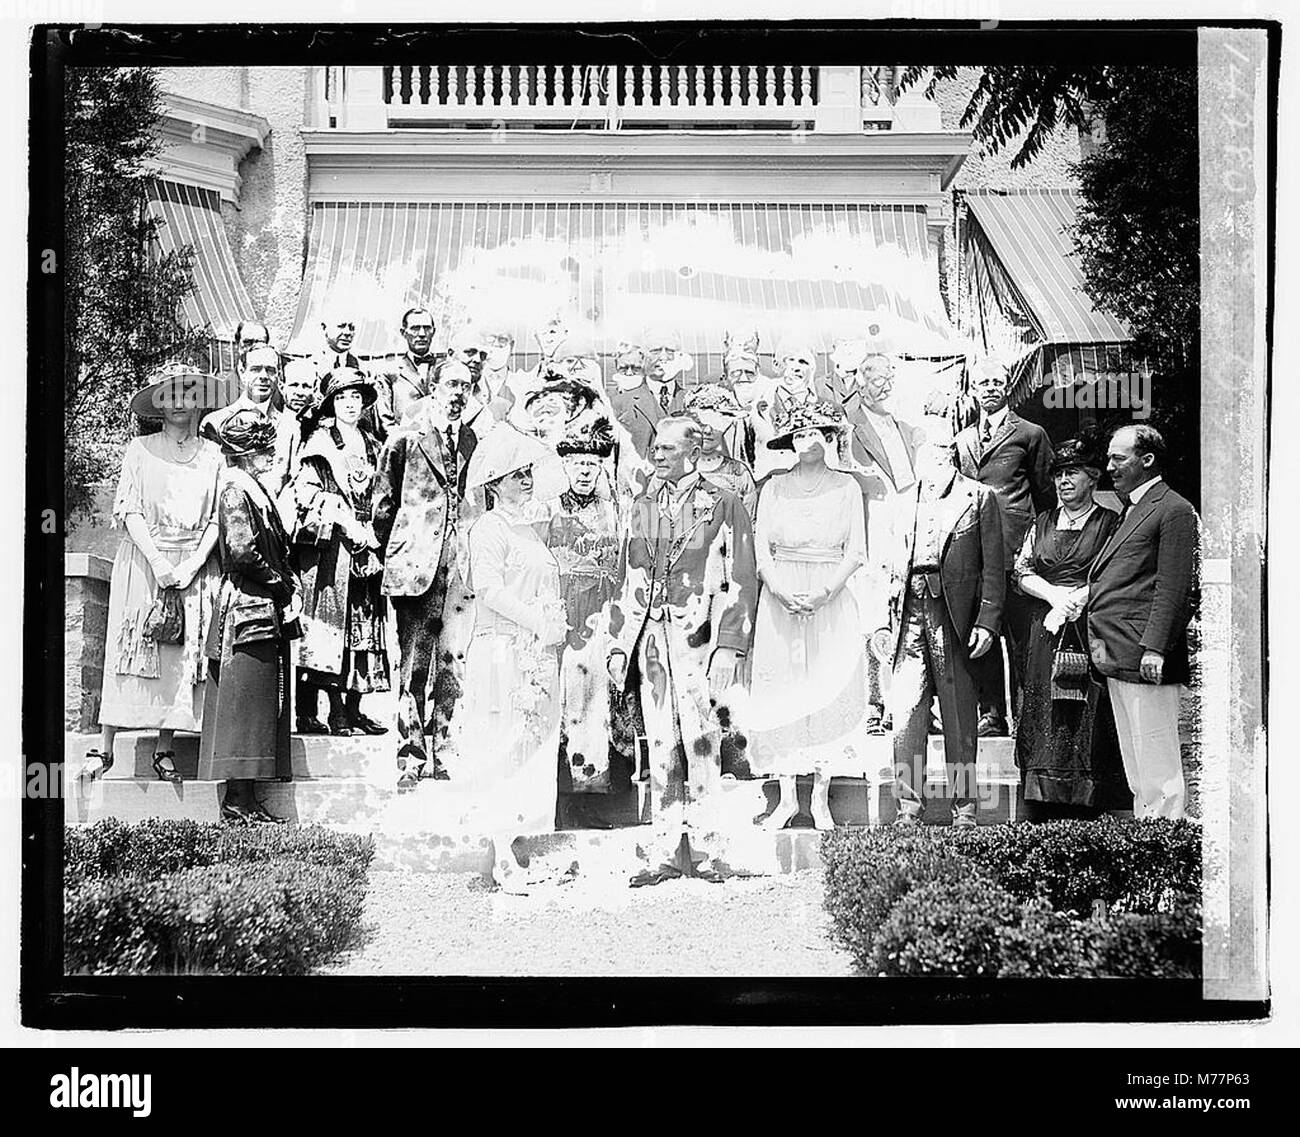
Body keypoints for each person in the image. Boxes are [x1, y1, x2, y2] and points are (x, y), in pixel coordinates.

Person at [606, 416, 759, 885]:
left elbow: (742, 577)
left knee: (703, 743)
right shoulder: (645, 502)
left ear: (693, 451)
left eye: (668, 449)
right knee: (660, 746)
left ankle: (710, 851)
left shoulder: (724, 503)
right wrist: (619, 645)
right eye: (655, 448)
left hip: (702, 641)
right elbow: (631, 576)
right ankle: (667, 852)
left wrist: (730, 647)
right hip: (653, 642)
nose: (657, 455)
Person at [81, 363, 226, 785]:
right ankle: (104, 748)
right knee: (133, 650)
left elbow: (217, 519)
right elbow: (128, 511)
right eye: (171, 394)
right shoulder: (140, 450)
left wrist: (192, 564)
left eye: (189, 393)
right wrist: (160, 564)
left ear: (199, 401)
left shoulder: (214, 456)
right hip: (145, 563)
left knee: (178, 656)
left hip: (192, 566)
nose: (181, 402)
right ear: (160, 404)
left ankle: (164, 750)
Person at [870, 397, 1005, 827]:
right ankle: (908, 808)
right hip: (909, 609)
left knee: (960, 715)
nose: (935, 455)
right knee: (906, 714)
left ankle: (965, 808)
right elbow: (884, 566)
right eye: (926, 448)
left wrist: (987, 620)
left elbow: (992, 567)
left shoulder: (979, 497)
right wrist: (879, 621)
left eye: (943, 448)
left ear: (954, 452)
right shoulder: (901, 499)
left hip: (955, 615)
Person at [747, 401, 869, 830]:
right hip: (780, 597)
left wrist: (822, 593)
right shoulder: (773, 488)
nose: (806, 442)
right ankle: (785, 799)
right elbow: (762, 553)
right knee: (783, 690)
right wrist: (780, 591)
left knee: (824, 688)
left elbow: (855, 551)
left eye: (814, 433)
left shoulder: (847, 488)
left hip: (830, 597)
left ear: (829, 438)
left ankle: (819, 798)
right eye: (798, 435)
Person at [457, 426, 568, 893]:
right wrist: (535, 621)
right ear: (493, 484)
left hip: (533, 650)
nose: (525, 480)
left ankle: (519, 843)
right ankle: (500, 854)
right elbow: (488, 589)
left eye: (527, 473)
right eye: (515, 475)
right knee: (502, 742)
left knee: (529, 744)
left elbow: (545, 583)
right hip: (501, 649)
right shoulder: (488, 528)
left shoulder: (528, 529)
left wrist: (554, 620)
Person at [372, 358, 480, 789]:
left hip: (460, 570)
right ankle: (411, 755)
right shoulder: (404, 437)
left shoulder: (473, 439)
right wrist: (394, 554)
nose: (458, 393)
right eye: (451, 384)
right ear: (433, 387)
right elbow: (383, 504)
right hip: (416, 568)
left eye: (467, 387)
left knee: (452, 665)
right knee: (414, 665)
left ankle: (443, 751)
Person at [1012, 436, 1130, 819]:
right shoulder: (1042, 521)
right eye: (1059, 473)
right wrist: (1053, 598)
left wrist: (1074, 601)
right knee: (1043, 705)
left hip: (1088, 628)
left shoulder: (1109, 523)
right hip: (1044, 629)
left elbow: (1114, 575)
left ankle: (1086, 803)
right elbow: (1021, 571)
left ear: (1092, 478)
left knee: (1085, 709)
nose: (1064, 481)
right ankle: (1042, 801)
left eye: (1072, 473)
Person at [1086, 425, 1198, 819]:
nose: (1109, 466)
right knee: (1138, 768)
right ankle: (1149, 844)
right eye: (1110, 457)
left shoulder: (1174, 510)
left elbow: (1173, 587)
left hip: (1145, 656)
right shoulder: (1132, 509)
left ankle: (1167, 850)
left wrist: (1155, 648)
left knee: (1158, 767)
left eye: (1119, 458)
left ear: (1147, 460)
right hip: (1120, 653)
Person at [198, 409, 300, 823]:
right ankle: (237, 802)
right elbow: (242, 552)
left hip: (255, 601)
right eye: (263, 449)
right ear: (245, 454)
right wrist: (281, 584)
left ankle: (246, 798)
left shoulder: (249, 488)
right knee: (245, 701)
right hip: (247, 603)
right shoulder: (236, 492)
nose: (271, 454)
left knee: (255, 701)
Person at [954, 358, 1056, 735]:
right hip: (974, 554)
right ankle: (991, 713)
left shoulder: (1030, 433)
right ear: (972, 389)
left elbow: (1047, 494)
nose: (990, 388)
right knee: (981, 634)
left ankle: (1026, 717)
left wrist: (1039, 545)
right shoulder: (962, 440)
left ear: (1008, 385)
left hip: (1016, 552)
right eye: (982, 382)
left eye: (997, 381)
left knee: (1019, 637)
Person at [291, 369, 392, 737]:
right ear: (332, 404)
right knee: (332, 628)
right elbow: (307, 492)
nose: (350, 404)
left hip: (368, 547)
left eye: (356, 398)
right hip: (333, 549)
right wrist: (347, 523)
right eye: (342, 398)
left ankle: (355, 708)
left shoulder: (374, 444)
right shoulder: (320, 442)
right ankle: (331, 712)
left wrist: (375, 531)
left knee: (365, 627)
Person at [544, 415, 626, 829]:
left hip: (599, 614)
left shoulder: (614, 510)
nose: (584, 472)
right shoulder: (549, 508)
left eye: (592, 465)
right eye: (577, 464)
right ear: (565, 466)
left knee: (592, 705)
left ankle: (588, 797)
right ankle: (551, 796)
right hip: (559, 612)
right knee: (555, 701)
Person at [750, 336, 825, 480]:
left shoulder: (824, 408)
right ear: (777, 365)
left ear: (812, 368)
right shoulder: (757, 405)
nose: (796, 367)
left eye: (803, 362)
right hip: (768, 483)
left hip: (813, 483)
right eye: (790, 359)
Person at [683, 383, 759, 519]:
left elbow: (748, 523)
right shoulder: (674, 468)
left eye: (715, 423)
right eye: (701, 423)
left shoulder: (739, 472)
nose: (707, 431)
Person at [376, 306, 440, 435]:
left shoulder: (445, 369)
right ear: (403, 333)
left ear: (433, 332)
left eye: (427, 328)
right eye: (415, 328)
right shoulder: (388, 372)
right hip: (404, 446)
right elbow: (385, 421)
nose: (422, 334)